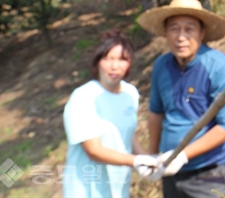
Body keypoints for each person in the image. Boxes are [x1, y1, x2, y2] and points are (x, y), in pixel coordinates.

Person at [137, 0, 225, 198]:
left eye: (189, 29)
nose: (181, 36)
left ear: (201, 33)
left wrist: (183, 155)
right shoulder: (161, 66)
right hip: (170, 172)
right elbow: (156, 113)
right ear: (165, 32)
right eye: (174, 28)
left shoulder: (219, 67)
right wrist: (152, 155)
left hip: (208, 174)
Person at [62, 30, 157, 198]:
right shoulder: (83, 97)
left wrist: (147, 160)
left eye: (122, 59)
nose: (115, 66)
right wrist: (134, 161)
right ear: (98, 62)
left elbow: (128, 135)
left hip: (119, 187)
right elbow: (93, 150)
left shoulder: (130, 94)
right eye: (108, 59)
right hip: (87, 189)